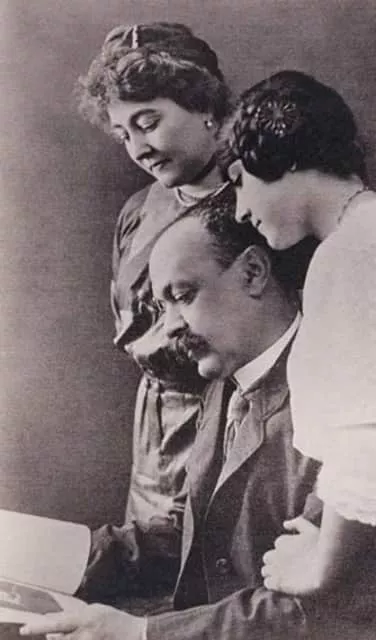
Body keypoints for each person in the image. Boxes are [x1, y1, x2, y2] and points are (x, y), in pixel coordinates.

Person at [20, 187, 376, 640]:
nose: (169, 327)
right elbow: (187, 539)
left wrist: (140, 633)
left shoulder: (347, 400)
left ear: (253, 273)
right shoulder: (224, 385)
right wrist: (29, 550)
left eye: (183, 295)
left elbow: (316, 609)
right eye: (161, 307)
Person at [219, 69, 376, 637]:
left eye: (239, 182)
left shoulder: (352, 254)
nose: (239, 211)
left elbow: (369, 446)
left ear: (281, 156)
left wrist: (318, 568)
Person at [74, 22, 232, 602]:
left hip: (229, 426)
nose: (138, 148)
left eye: (148, 122)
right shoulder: (139, 210)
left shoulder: (260, 208)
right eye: (123, 134)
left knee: (206, 591)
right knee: (136, 588)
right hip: (154, 435)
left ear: (205, 105)